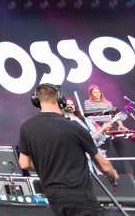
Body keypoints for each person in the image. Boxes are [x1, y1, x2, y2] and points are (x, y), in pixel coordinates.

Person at [19, 83, 119, 216]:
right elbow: (104, 166)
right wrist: (113, 175)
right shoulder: (75, 127)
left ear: (37, 101)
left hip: (53, 196)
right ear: (61, 100)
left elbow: (24, 164)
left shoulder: (27, 127)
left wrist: (48, 167)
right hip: (80, 196)